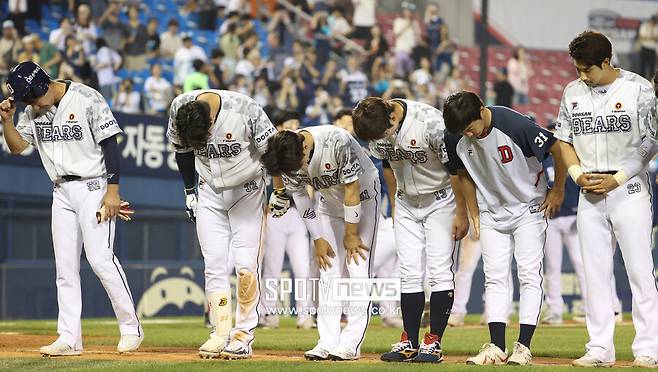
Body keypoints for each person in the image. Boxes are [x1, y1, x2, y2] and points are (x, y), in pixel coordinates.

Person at [0, 61, 143, 356]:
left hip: (94, 187)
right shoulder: (30, 110)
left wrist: (113, 192)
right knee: (65, 269)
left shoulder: (86, 98)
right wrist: (6, 122)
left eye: (31, 97)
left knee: (100, 259)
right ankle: (69, 338)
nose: (30, 103)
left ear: (42, 85)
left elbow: (110, 144)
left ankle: (131, 328)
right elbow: (17, 147)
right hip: (61, 191)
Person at [555, 31, 658, 368]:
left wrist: (619, 178)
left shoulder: (639, 89)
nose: (581, 76)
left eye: (587, 69)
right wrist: (575, 175)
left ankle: (648, 348)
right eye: (577, 69)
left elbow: (651, 141)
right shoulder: (572, 92)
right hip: (589, 192)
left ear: (606, 62)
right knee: (594, 273)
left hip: (628, 189)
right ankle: (600, 348)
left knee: (641, 272)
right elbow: (564, 140)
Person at [443, 90, 566, 366]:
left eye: (470, 128)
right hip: (491, 211)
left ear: (482, 110)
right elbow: (462, 173)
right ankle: (496, 346)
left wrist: (558, 191)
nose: (468, 135)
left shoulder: (515, 125)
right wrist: (472, 212)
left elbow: (557, 149)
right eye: (462, 131)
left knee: (528, 274)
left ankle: (523, 347)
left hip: (529, 207)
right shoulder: (454, 135)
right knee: (494, 277)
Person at [352, 96, 469, 363]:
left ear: (392, 117)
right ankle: (409, 341)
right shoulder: (376, 125)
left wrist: (462, 213)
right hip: (406, 201)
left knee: (439, 271)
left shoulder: (431, 124)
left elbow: (456, 171)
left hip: (440, 199)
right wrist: (394, 204)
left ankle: (434, 342)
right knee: (409, 273)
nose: (380, 138)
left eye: (382, 133)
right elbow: (386, 166)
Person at [167, 88, 278, 359]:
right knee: (214, 265)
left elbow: (272, 153)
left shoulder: (245, 109)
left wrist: (279, 191)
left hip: (247, 189)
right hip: (208, 191)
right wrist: (189, 191)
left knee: (245, 265)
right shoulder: (179, 107)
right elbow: (181, 152)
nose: (198, 144)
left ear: (211, 121)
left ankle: (243, 335)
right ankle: (220, 331)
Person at [261, 124, 381, 362]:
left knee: (358, 270)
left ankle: (350, 344)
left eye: (298, 164)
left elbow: (352, 188)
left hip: (362, 200)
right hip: (328, 203)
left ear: (304, 146)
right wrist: (318, 238)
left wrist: (351, 234)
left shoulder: (336, 141)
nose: (298, 170)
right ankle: (327, 341)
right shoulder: (287, 154)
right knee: (329, 272)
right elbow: (301, 198)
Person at [257, 111, 315, 330]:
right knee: (272, 267)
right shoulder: (270, 150)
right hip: (274, 215)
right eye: (290, 123)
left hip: (298, 214)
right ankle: (269, 314)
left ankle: (305, 315)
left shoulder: (301, 148)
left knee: (303, 267)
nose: (295, 127)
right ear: (278, 126)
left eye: (297, 123)